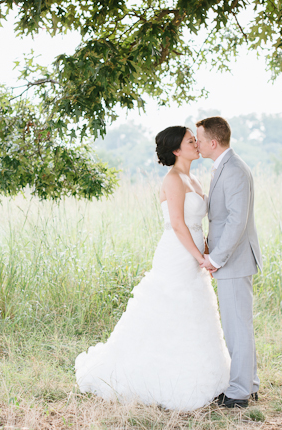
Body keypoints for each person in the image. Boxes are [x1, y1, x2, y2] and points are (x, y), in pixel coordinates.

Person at [75, 125, 231, 411]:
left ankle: (199, 372)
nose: (197, 143)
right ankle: (156, 376)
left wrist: (207, 251)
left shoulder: (193, 178)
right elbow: (177, 224)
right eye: (190, 141)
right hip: (177, 255)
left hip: (194, 254)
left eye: (195, 139)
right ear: (176, 150)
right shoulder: (173, 179)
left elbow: (199, 222)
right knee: (168, 308)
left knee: (194, 310)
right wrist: (199, 256)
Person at [195, 116, 262, 409]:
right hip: (229, 259)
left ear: (212, 142)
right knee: (238, 326)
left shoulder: (234, 169)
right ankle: (249, 384)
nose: (195, 143)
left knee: (238, 328)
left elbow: (237, 221)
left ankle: (238, 393)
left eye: (198, 138)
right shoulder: (222, 167)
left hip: (233, 260)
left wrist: (216, 258)